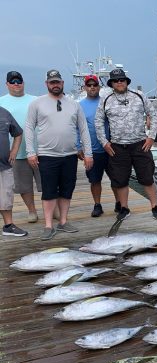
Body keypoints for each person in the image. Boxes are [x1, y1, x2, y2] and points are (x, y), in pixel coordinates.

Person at [24, 69, 93, 241]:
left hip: (70, 156)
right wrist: (31, 152)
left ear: (62, 83)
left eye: (58, 82)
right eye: (52, 82)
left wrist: (89, 154)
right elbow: (29, 127)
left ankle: (63, 221)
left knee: (66, 190)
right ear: (47, 84)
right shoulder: (37, 103)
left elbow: (83, 129)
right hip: (47, 155)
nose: (55, 85)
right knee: (49, 191)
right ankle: (48, 225)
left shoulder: (74, 104)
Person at [95, 68, 157, 221]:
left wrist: (151, 137)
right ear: (111, 83)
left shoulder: (139, 96)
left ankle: (154, 206)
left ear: (126, 81)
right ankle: (124, 208)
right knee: (120, 179)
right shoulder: (106, 99)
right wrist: (104, 142)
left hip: (140, 144)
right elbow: (98, 121)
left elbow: (154, 114)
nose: (119, 82)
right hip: (118, 147)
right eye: (116, 80)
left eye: (122, 80)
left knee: (147, 177)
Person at [0, 71, 40, 223]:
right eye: (12, 81)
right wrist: (13, 151)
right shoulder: (1, 102)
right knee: (24, 186)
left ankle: (53, 210)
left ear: (23, 83)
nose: (16, 84)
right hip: (14, 153)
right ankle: (32, 211)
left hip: (39, 150)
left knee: (47, 183)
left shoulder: (36, 100)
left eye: (19, 81)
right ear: (7, 84)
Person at [77, 74, 118, 217]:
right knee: (95, 180)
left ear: (99, 87)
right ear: (85, 87)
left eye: (94, 85)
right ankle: (97, 205)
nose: (92, 87)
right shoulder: (80, 105)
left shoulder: (106, 102)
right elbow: (76, 127)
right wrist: (78, 146)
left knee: (116, 178)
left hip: (111, 148)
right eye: (89, 85)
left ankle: (119, 203)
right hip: (92, 150)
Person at [0, 105, 27, 237]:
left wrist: (14, 150)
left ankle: (8, 226)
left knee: (6, 196)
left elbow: (18, 133)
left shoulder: (5, 113)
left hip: (4, 165)